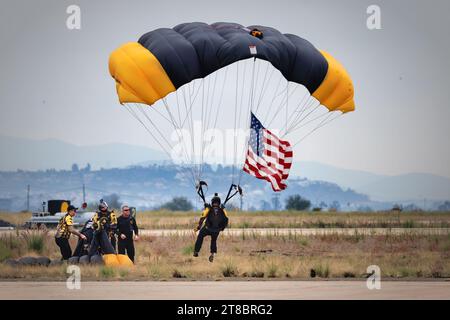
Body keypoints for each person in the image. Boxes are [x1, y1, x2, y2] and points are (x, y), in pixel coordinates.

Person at [193, 193, 229, 262]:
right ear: (219, 202)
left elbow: (202, 217)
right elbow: (226, 219)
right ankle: (212, 254)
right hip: (216, 230)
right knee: (214, 240)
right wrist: (222, 228)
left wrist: (198, 227)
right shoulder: (223, 210)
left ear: (212, 202)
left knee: (200, 235)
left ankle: (196, 251)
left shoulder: (209, 209)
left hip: (207, 228)